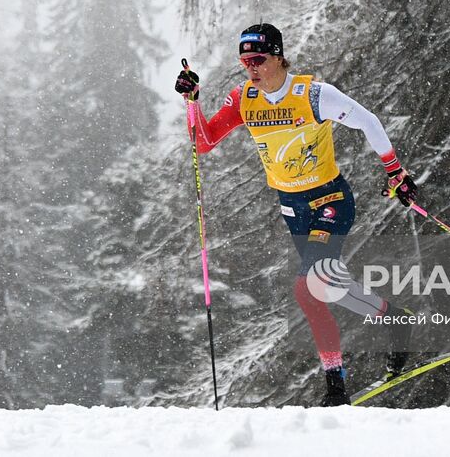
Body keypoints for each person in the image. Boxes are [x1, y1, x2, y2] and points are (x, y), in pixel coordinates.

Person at [175, 23, 417, 406]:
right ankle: (394, 319)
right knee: (325, 286)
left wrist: (394, 170)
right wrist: (192, 102)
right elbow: (203, 143)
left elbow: (368, 122)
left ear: (278, 56)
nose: (251, 68)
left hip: (331, 198)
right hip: (292, 207)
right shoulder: (243, 99)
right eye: (244, 61)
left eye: (258, 60)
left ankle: (335, 384)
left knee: (307, 289)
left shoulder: (314, 95)